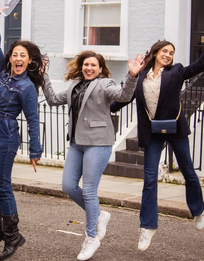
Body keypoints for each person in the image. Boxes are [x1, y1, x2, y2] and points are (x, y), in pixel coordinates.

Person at [110, 18, 204, 252]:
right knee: (150, 179)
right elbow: (125, 98)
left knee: (188, 171)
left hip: (175, 129)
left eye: (171, 52)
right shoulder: (142, 75)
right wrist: (107, 106)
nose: (168, 54)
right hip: (152, 132)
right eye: (165, 51)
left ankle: (198, 209)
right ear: (155, 53)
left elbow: (202, 64)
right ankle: (147, 227)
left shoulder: (177, 72)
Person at [42, 51, 143, 260]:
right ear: (82, 67)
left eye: (93, 65)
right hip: (77, 143)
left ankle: (91, 237)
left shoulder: (105, 84)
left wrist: (132, 76)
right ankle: (99, 215)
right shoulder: (74, 85)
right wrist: (43, 75)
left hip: (98, 143)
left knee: (89, 190)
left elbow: (123, 96)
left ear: (100, 69)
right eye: (86, 64)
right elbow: (52, 100)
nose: (89, 68)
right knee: (68, 186)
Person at [0, 9, 46, 261]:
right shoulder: (2, 71)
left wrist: (35, 151)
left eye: (23, 56)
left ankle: (12, 236)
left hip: (4, 135)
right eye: (15, 54)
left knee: (1, 186)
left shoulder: (27, 87)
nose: (18, 58)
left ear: (29, 62)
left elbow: (32, 120)